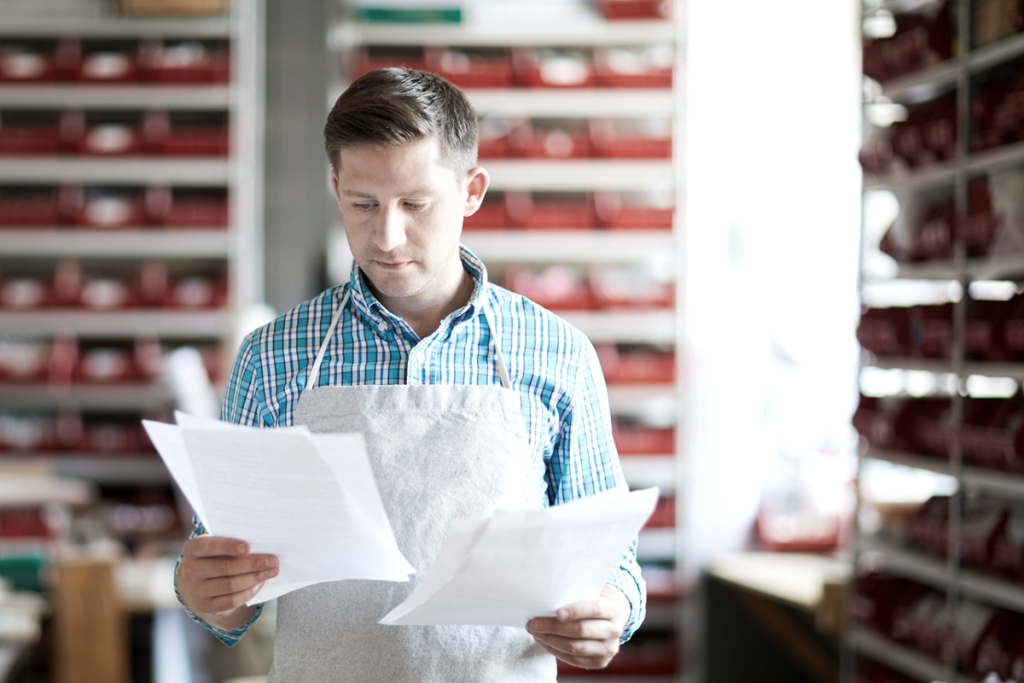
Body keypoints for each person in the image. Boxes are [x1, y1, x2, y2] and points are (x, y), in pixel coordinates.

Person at [173, 67, 646, 682]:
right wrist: (203, 588)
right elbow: (228, 583)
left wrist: (610, 608)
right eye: (363, 204)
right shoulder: (273, 356)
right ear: (336, 186)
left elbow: (612, 561)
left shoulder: (557, 354)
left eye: (415, 204)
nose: (387, 237)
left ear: (472, 190)